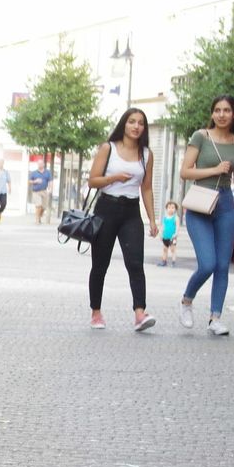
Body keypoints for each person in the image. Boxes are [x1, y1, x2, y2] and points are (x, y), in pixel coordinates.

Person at [177, 94, 234, 336]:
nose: (221, 114)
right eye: (217, 110)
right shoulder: (201, 136)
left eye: (226, 110)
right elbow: (185, 172)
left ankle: (215, 317)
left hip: (225, 205)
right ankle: (187, 300)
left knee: (222, 266)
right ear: (212, 114)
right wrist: (215, 169)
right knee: (207, 264)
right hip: (200, 203)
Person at [85, 108, 158, 332]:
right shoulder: (108, 148)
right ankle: (96, 312)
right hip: (106, 208)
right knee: (100, 264)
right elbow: (92, 181)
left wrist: (152, 220)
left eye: (141, 123)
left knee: (135, 263)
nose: (136, 126)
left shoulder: (146, 154)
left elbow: (146, 188)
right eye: (132, 122)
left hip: (131, 211)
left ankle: (140, 313)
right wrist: (114, 178)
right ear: (124, 124)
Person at [29, 159, 52, 224]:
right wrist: (35, 181)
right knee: (38, 205)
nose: (39, 165)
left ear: (43, 164)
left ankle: (39, 216)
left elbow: (50, 181)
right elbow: (29, 181)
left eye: (41, 164)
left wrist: (50, 189)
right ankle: (37, 220)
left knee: (44, 207)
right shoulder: (34, 173)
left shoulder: (47, 172)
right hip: (36, 191)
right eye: (38, 164)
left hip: (44, 191)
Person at [158, 201, 178, 267]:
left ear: (175, 209)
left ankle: (173, 262)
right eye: (169, 207)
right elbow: (163, 227)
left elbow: (177, 227)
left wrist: (176, 234)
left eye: (172, 208)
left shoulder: (176, 218)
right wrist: (161, 234)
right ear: (166, 209)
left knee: (173, 249)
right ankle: (164, 261)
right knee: (165, 249)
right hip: (165, 236)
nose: (170, 209)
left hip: (172, 237)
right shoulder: (165, 218)